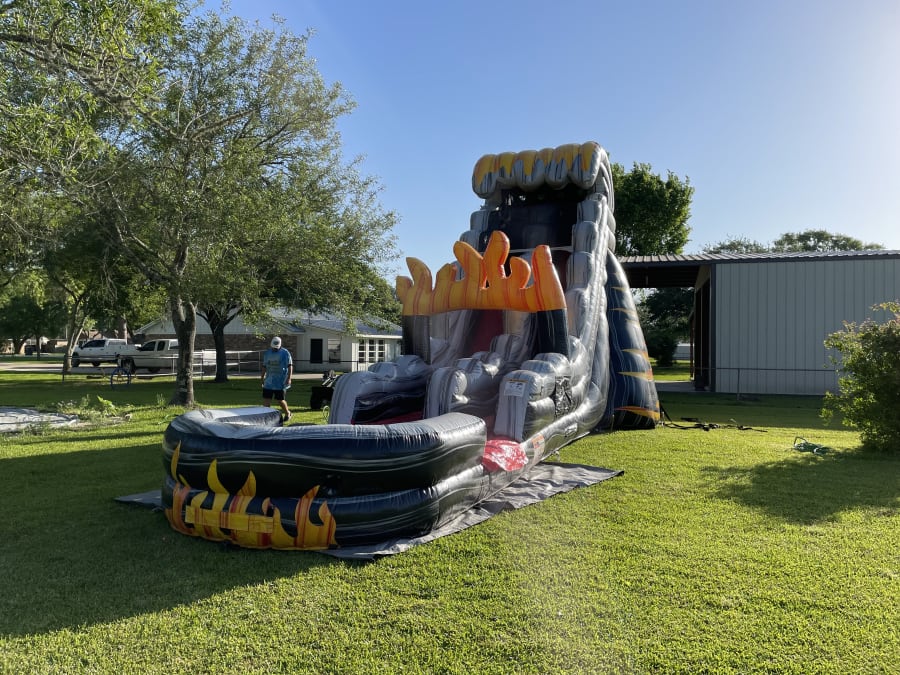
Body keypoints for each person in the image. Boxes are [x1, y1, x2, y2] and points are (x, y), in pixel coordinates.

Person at [261, 336, 293, 422]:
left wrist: (289, 378)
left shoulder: (285, 353)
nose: (275, 349)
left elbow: (290, 366)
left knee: (280, 400)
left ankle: (287, 413)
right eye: (273, 347)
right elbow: (264, 366)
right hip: (269, 381)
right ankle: (266, 418)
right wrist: (262, 377)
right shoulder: (267, 353)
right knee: (266, 400)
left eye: (276, 348)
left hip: (280, 381)